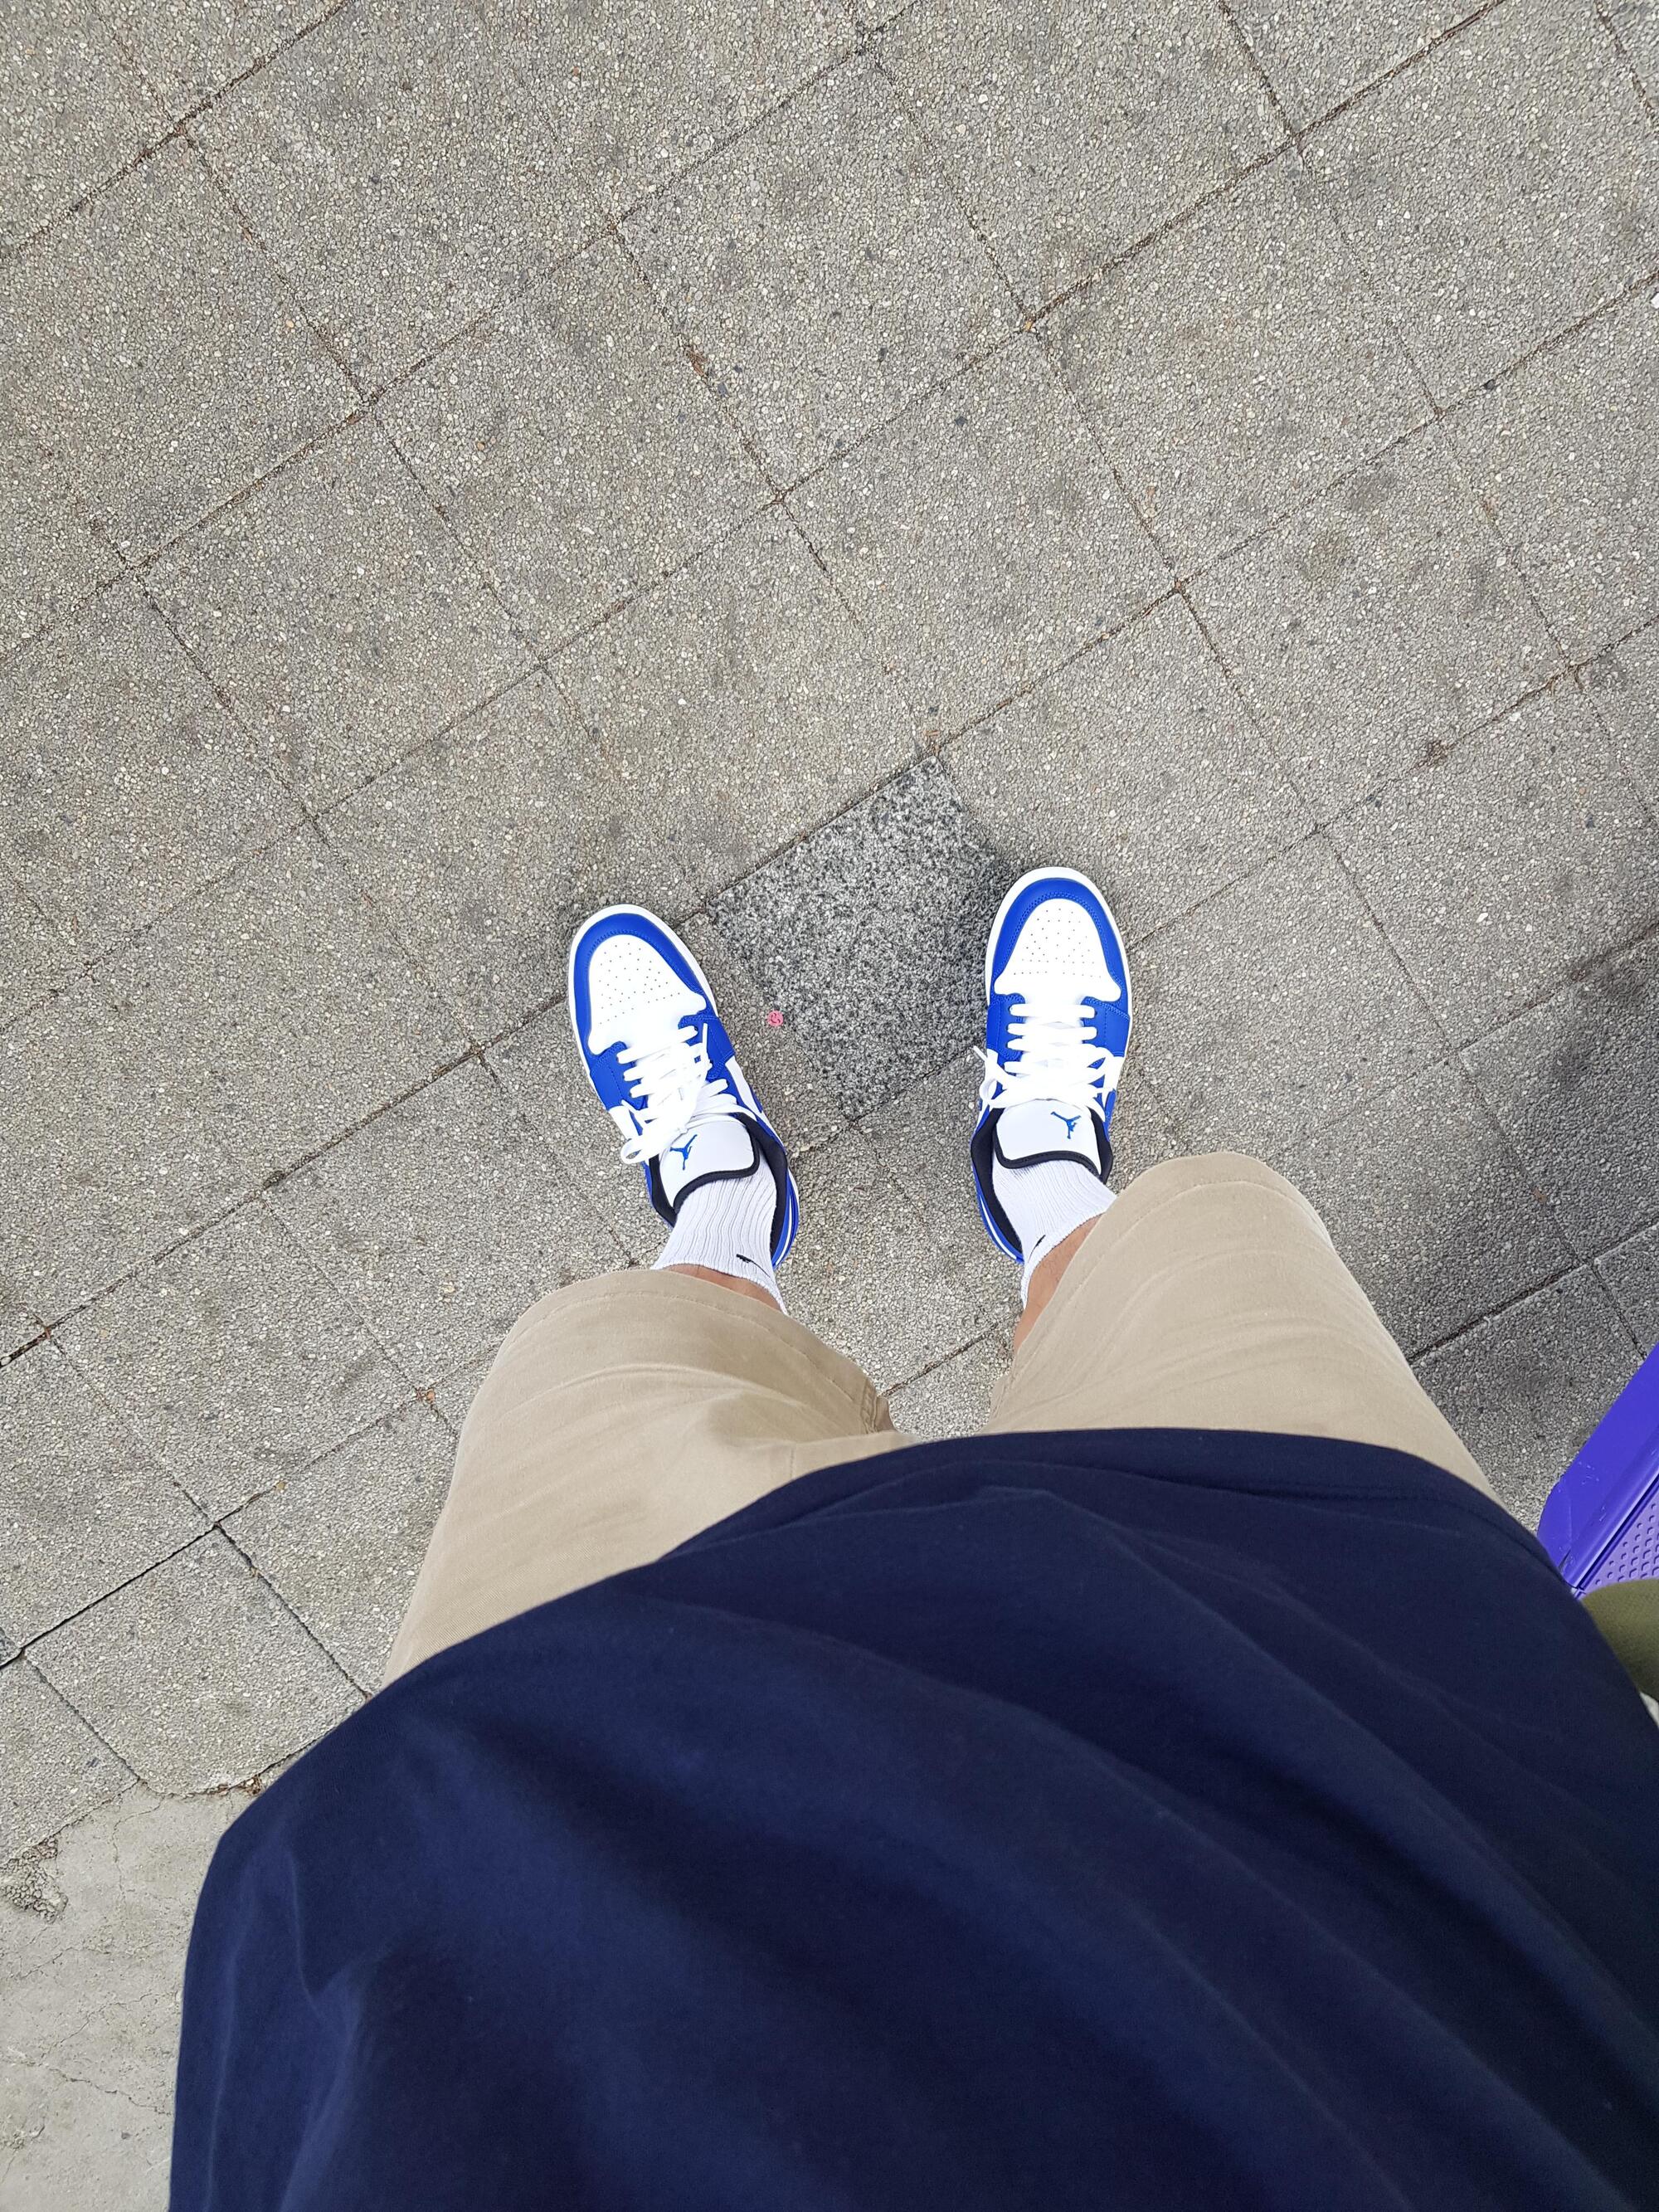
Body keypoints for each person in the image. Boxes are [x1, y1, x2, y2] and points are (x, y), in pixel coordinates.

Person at [171, 870, 1659, 2210]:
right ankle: (1049, 1187)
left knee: (611, 1383)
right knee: (1204, 1264)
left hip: (559, 1830)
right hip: (1369, 1787)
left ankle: (724, 1204)